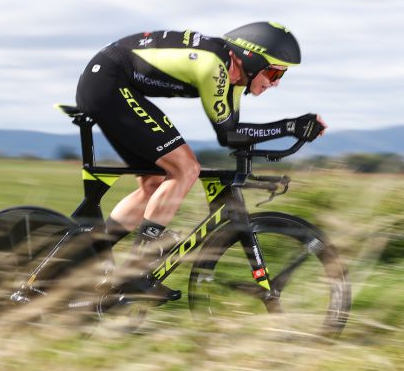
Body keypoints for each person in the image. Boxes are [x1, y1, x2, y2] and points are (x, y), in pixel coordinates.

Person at [75, 21, 326, 301]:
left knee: (155, 184)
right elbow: (230, 134)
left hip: (108, 82)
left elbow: (232, 134)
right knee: (186, 168)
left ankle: (90, 250)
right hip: (109, 81)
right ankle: (137, 268)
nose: (276, 82)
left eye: (281, 74)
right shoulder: (214, 66)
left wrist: (290, 127)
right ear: (251, 58)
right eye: (273, 71)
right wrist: (290, 126)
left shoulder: (232, 80)